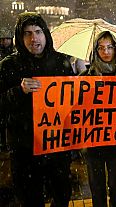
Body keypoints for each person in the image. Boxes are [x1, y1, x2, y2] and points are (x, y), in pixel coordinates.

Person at [0, 12, 73, 206]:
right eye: (27, 33)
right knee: (30, 199)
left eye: (38, 32)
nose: (34, 38)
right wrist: (18, 92)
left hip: (57, 148)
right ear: (19, 37)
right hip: (25, 150)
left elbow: (74, 103)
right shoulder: (8, 66)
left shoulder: (61, 63)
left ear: (46, 34)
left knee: (61, 196)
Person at [80, 31, 116, 207]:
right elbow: (75, 107)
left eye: (109, 47)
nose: (106, 52)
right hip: (93, 143)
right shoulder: (85, 78)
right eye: (101, 48)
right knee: (97, 186)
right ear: (95, 51)